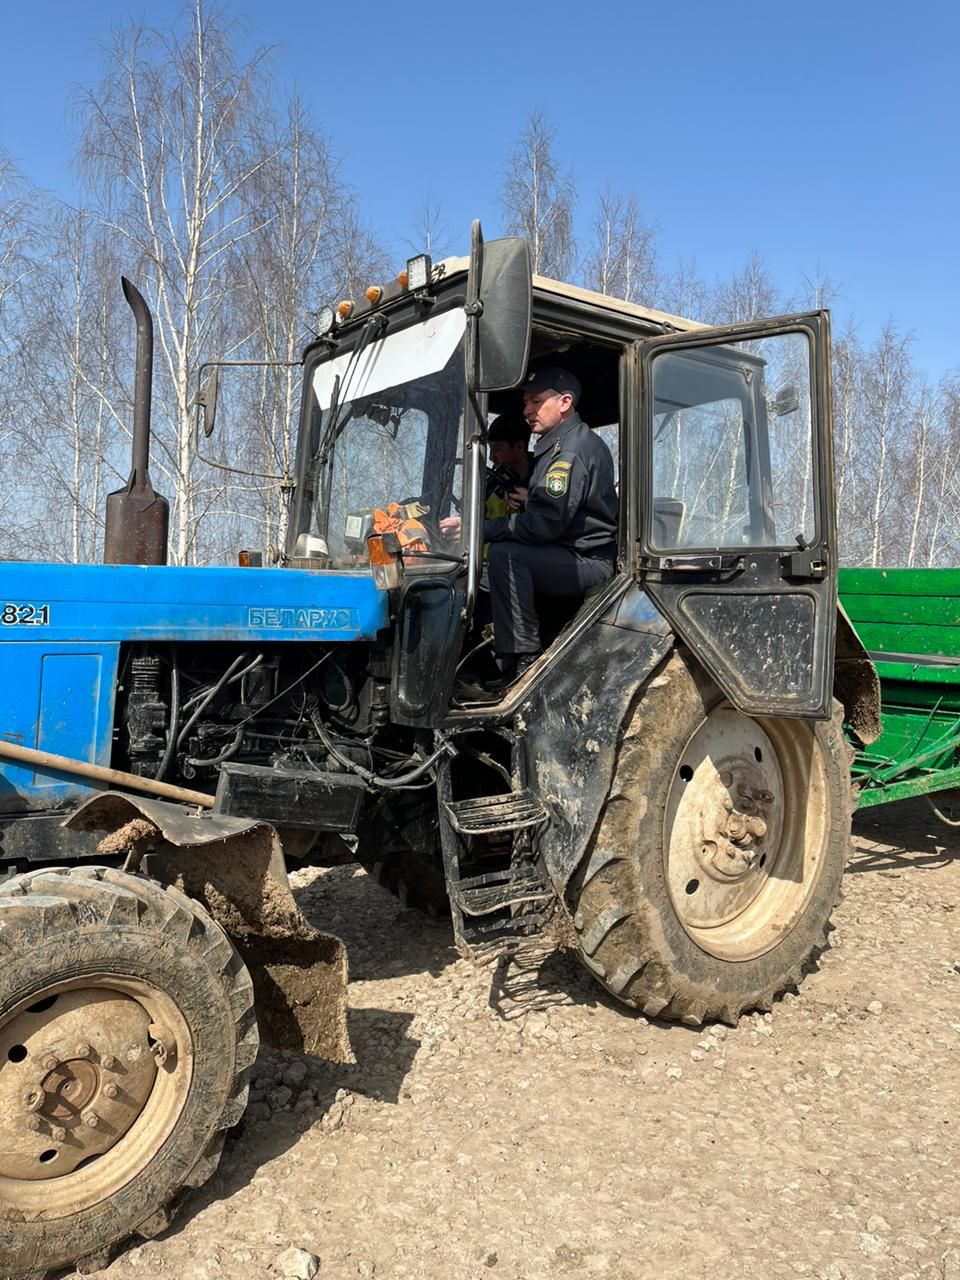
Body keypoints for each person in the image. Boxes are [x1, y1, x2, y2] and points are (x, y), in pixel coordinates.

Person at [441, 366, 617, 689]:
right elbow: (558, 511)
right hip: (564, 553)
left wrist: (478, 529)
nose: (527, 410)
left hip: (587, 561)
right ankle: (486, 661)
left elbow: (542, 527)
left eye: (536, 401)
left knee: (506, 555)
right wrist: (529, 500)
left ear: (564, 403)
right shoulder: (559, 446)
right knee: (482, 571)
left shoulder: (571, 451)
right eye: (526, 402)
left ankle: (522, 664)